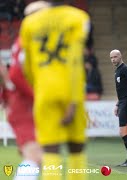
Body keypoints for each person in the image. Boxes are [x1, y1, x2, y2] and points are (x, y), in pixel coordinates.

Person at [20, 1, 90, 179]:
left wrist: (39, 87)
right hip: (70, 90)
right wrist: (73, 100)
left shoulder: (29, 23)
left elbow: (26, 66)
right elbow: (75, 59)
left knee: (50, 149)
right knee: (76, 148)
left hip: (44, 91)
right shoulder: (79, 18)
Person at [0, 2, 49, 180]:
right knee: (34, 155)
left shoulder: (30, 41)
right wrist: (38, 97)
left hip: (22, 104)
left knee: (37, 157)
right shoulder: (28, 42)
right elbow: (15, 74)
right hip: (24, 106)